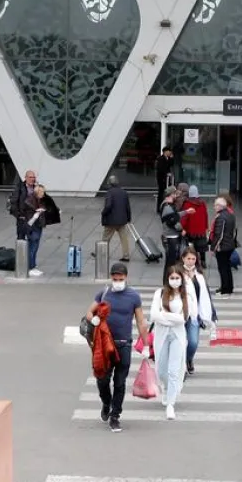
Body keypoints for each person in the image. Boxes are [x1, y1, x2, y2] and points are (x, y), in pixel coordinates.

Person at [86, 262, 149, 432]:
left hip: (124, 345)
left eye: (121, 279)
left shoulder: (134, 296)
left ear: (126, 278)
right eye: (115, 279)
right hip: (105, 346)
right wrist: (94, 319)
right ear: (111, 278)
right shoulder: (104, 293)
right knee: (102, 380)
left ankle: (115, 416)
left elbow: (141, 321)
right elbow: (89, 312)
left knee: (120, 383)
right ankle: (106, 403)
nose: (118, 282)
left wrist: (146, 345)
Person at [152, 264, 190, 420]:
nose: (175, 281)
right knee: (161, 370)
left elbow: (183, 319)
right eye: (172, 278)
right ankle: (167, 389)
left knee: (174, 370)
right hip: (161, 335)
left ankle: (170, 404)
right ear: (167, 279)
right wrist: (169, 319)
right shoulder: (160, 293)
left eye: (177, 278)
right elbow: (154, 314)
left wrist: (165, 316)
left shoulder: (185, 295)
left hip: (178, 336)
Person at [178, 246, 214, 377]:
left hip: (194, 314)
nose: (191, 261)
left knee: (193, 342)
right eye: (188, 258)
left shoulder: (199, 274)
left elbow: (205, 295)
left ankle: (188, 358)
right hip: (179, 314)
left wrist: (208, 314)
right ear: (183, 258)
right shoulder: (177, 273)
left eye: (193, 259)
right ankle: (180, 365)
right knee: (179, 342)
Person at [17, 179, 60, 276]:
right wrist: (36, 213)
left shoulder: (39, 199)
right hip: (33, 227)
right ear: (38, 192)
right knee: (33, 246)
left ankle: (33, 265)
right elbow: (29, 218)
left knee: (35, 246)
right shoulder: (30, 201)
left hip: (38, 226)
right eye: (42, 192)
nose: (43, 194)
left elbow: (49, 206)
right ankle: (30, 267)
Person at [101, 175, 133, 261]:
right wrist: (128, 218)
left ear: (110, 184)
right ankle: (126, 255)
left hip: (111, 220)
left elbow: (108, 206)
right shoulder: (124, 192)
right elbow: (127, 207)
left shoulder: (109, 193)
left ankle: (102, 253)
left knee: (106, 238)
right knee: (124, 238)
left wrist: (103, 213)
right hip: (122, 220)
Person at [212, 196, 238, 295]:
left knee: (222, 268)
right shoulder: (230, 214)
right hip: (230, 244)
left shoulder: (220, 217)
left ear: (220, 206)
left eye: (215, 205)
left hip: (223, 246)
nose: (214, 207)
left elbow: (219, 234)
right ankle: (228, 287)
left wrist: (214, 247)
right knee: (227, 267)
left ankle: (225, 289)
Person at [180, 185, 210, 269]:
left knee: (190, 246)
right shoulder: (202, 203)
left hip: (191, 229)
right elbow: (205, 215)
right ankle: (203, 261)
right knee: (202, 247)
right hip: (201, 229)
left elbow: (185, 217)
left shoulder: (187, 203)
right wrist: (206, 227)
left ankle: (192, 261)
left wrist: (182, 228)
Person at [159, 185, 185, 271]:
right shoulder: (168, 207)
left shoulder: (166, 205)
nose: (176, 196)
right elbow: (172, 221)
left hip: (169, 235)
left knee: (170, 261)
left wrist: (186, 212)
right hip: (171, 236)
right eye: (175, 194)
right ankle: (168, 279)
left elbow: (174, 216)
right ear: (171, 194)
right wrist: (181, 229)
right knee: (171, 261)